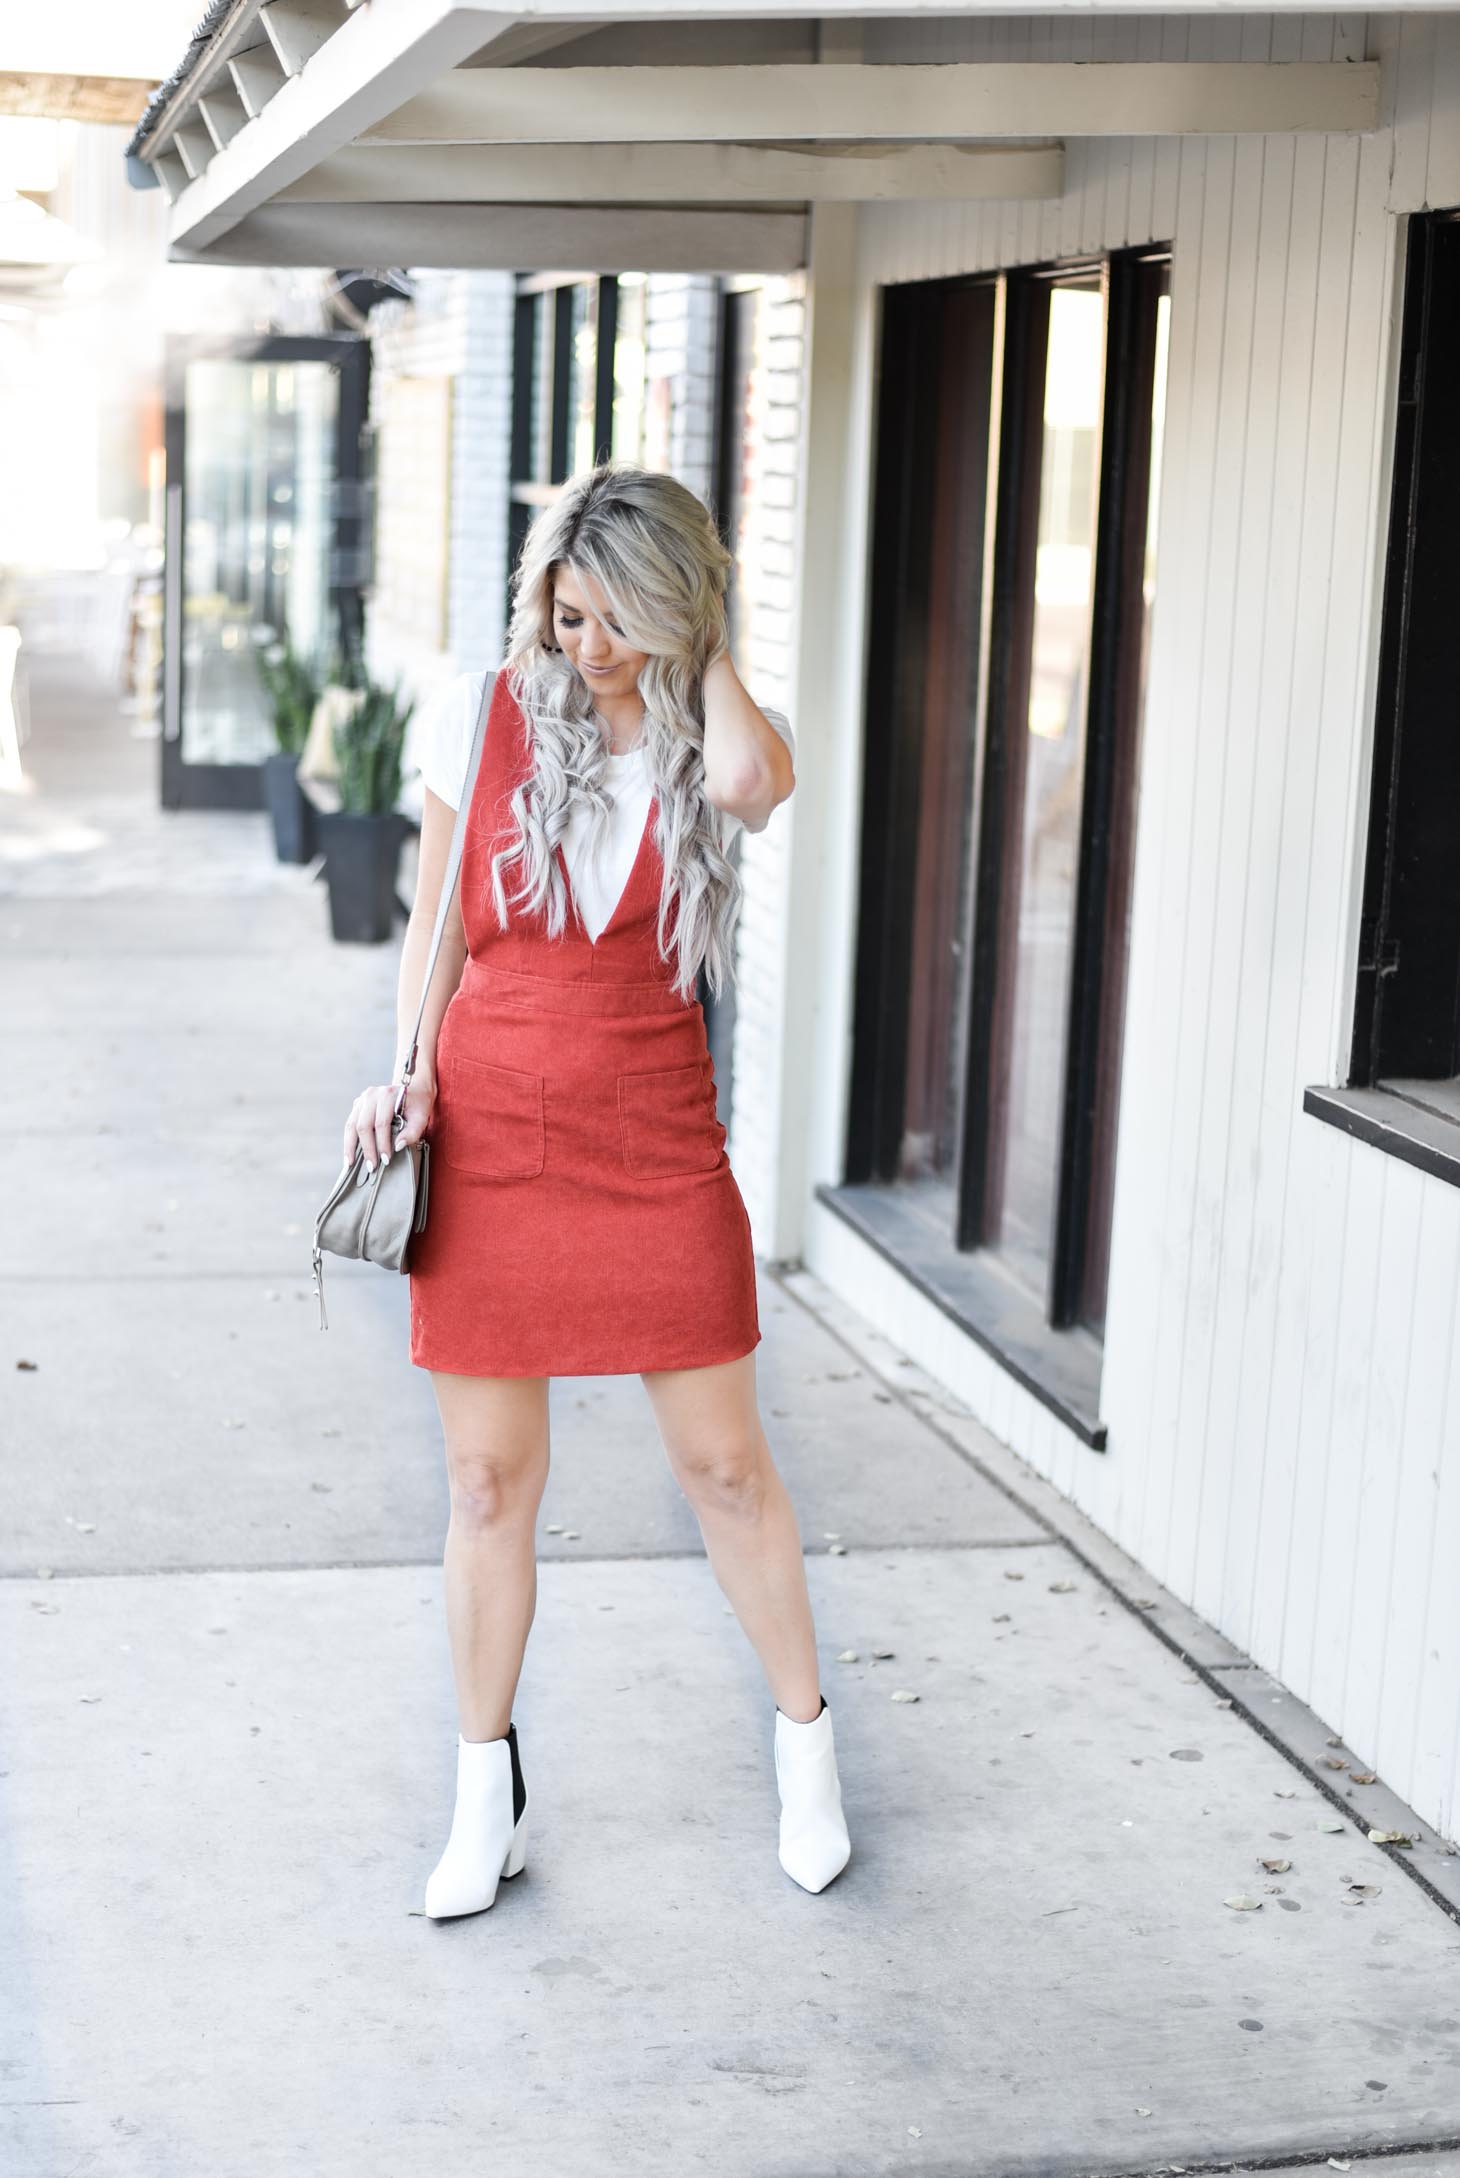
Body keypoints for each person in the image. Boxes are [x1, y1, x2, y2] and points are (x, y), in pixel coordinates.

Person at [341, 463, 851, 1919]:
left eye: (616, 619)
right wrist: (409, 1072)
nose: (585, 649)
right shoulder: (480, 712)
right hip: (494, 1131)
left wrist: (696, 648)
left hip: (653, 1138)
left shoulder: (704, 732)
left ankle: (808, 1757)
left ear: (674, 612)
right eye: (566, 615)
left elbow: (758, 784)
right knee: (488, 1481)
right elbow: (436, 926)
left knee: (727, 1468)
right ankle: (483, 1792)